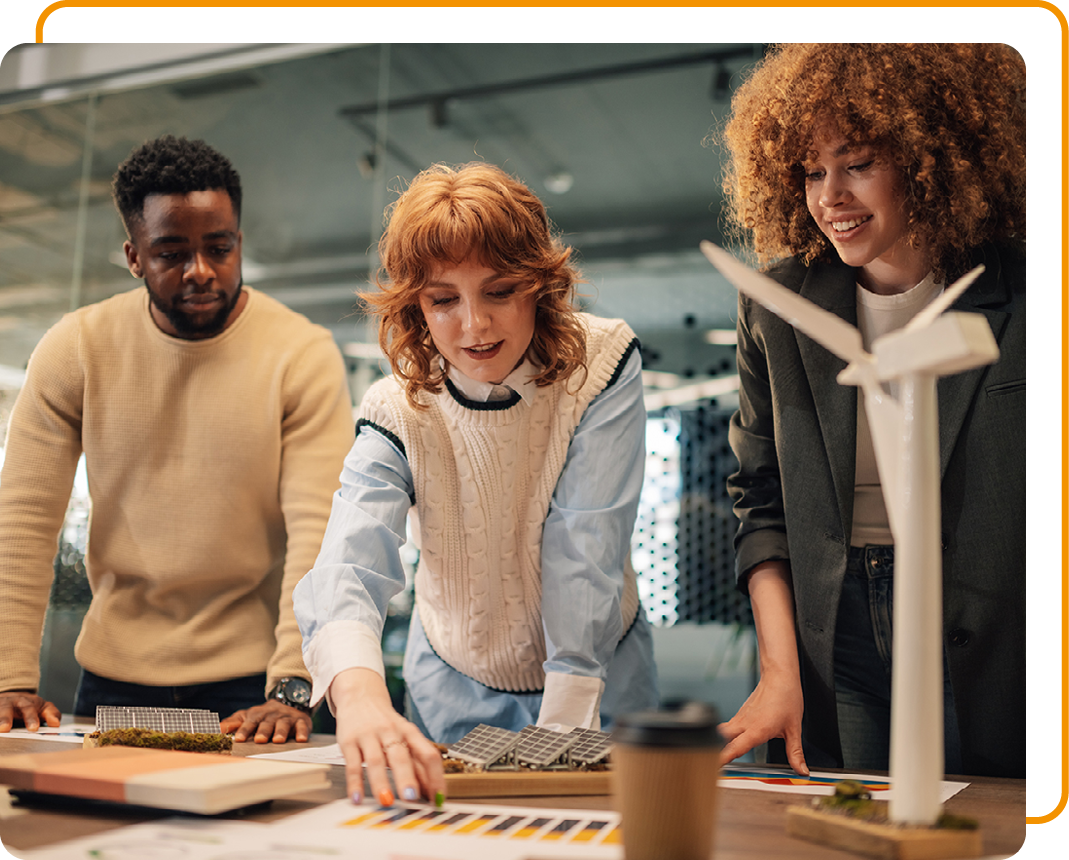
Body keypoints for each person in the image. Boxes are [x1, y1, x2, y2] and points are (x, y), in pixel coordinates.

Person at [294, 162, 659, 804]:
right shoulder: (395, 407)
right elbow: (349, 562)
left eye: (500, 291)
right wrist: (357, 697)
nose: (475, 326)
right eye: (444, 300)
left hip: (601, 668)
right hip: (453, 678)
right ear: (416, 305)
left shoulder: (601, 364)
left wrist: (569, 711)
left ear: (539, 287)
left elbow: (587, 540)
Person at [715, 43, 1025, 778]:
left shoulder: (1034, 295)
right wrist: (779, 672)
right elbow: (758, 501)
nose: (829, 198)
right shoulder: (776, 307)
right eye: (811, 172)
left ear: (932, 156)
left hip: (999, 635)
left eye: (856, 164)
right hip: (838, 631)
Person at [0, 135, 354, 743]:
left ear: (239, 242)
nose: (201, 272)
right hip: (112, 674)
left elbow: (319, 532)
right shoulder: (77, 347)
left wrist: (292, 682)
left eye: (219, 248)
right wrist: (7, 676)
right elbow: (23, 521)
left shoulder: (301, 354)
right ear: (134, 257)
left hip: (253, 688)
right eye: (171, 253)